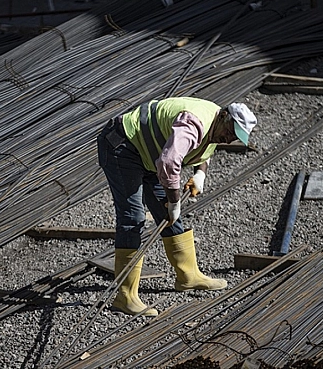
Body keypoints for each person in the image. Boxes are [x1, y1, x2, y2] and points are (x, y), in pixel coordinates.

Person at [97, 96, 257, 316]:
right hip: (122, 147)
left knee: (168, 214)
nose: (229, 140)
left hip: (148, 154)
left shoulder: (216, 124)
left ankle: (187, 277)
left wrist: (200, 174)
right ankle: (125, 296)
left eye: (235, 138)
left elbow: (205, 147)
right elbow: (169, 162)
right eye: (230, 132)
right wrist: (173, 201)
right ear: (223, 116)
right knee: (132, 217)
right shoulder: (194, 123)